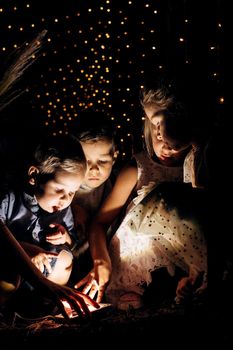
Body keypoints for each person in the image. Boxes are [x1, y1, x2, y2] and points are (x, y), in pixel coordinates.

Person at [75, 72, 208, 310]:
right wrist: (100, 260)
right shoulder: (138, 168)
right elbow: (100, 222)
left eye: (162, 124)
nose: (160, 137)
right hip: (140, 262)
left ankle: (189, 285)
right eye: (154, 125)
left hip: (184, 259)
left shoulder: (196, 161)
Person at [0, 134, 99, 318]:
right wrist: (27, 250)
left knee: (64, 260)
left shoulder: (63, 211)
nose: (66, 199)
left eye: (72, 192)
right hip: (12, 268)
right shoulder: (10, 198)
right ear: (34, 176)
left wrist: (66, 237)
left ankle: (44, 306)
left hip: (44, 276)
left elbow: (74, 244)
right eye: (60, 189)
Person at [69, 109, 119, 283]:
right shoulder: (64, 184)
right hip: (68, 257)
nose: (94, 169)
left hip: (102, 255)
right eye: (86, 161)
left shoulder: (115, 184)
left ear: (114, 156)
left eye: (102, 161)